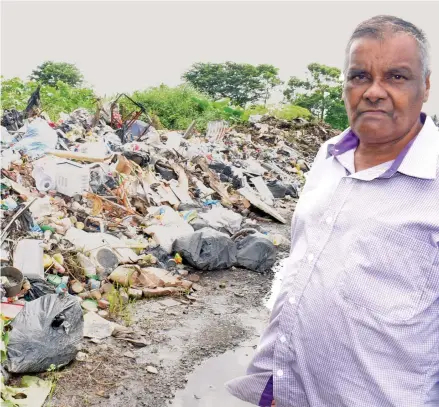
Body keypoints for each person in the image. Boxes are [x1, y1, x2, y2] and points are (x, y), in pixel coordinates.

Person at [226, 15, 439, 407]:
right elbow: (302, 272)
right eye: (359, 76)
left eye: (395, 77)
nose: (373, 92)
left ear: (424, 86)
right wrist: (272, 383)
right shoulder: (328, 157)